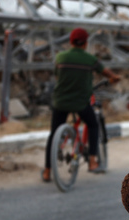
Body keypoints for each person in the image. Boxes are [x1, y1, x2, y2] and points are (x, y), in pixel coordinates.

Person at [42, 27, 121, 182]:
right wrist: (114, 77)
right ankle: (92, 161)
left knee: (53, 133)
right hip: (80, 102)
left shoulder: (60, 57)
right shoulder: (90, 60)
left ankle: (47, 170)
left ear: (71, 42)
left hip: (60, 101)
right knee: (92, 124)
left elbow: (57, 75)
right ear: (85, 44)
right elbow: (106, 72)